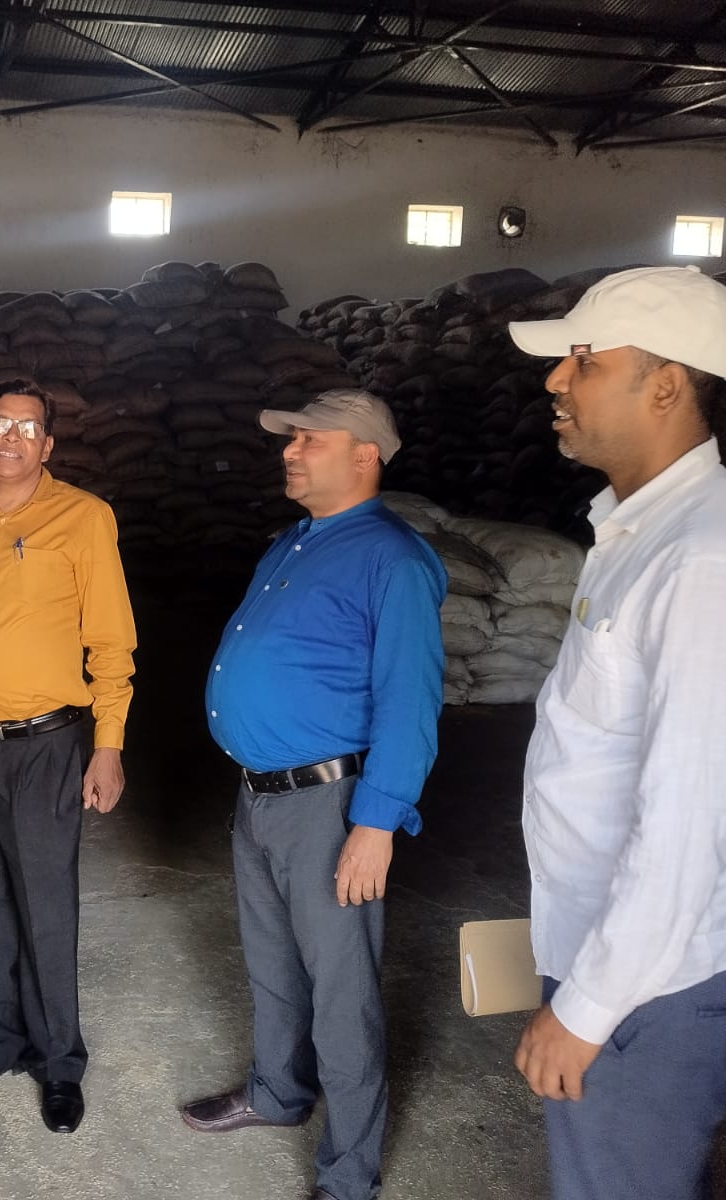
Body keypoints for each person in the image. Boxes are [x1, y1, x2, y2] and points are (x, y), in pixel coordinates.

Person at [506, 266, 726, 1200]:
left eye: (585, 361)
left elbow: (689, 821)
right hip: (622, 955)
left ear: (666, 385)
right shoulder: (641, 536)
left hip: (659, 985)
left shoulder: (711, 564)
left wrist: (589, 1007)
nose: (557, 381)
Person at [181, 390, 446, 1200]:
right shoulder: (293, 542)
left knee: (341, 992)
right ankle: (277, 1093)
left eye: (309, 440)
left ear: (364, 455)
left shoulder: (393, 560)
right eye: (289, 440)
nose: (290, 452)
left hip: (330, 807)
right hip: (260, 797)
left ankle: (349, 1174)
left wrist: (377, 823)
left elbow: (410, 701)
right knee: (271, 963)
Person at [0, 377, 136, 1135]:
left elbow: (111, 642)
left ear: (48, 445)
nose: (12, 437)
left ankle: (59, 1063)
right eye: (0, 424)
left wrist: (108, 746)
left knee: (45, 904)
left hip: (45, 745)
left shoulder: (84, 518)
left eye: (28, 427)